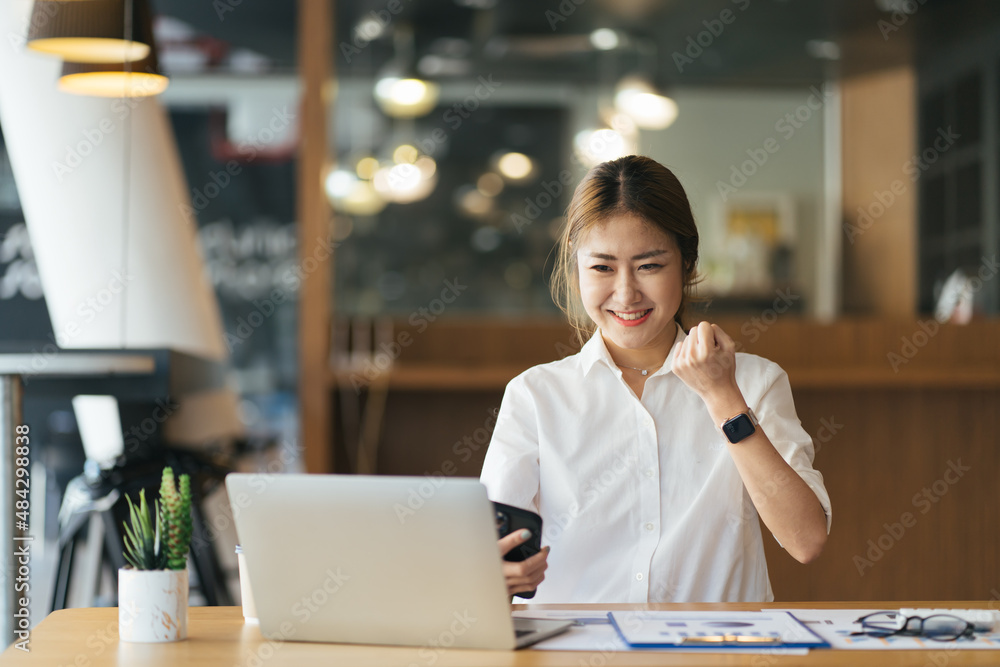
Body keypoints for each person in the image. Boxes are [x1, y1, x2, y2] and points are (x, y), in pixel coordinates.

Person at [482, 155, 831, 603]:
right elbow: (488, 554)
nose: (625, 293)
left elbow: (806, 540)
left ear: (687, 265)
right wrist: (495, 575)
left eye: (649, 266)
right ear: (576, 269)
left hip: (714, 654)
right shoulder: (535, 395)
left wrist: (722, 396)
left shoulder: (756, 382)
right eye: (602, 268)